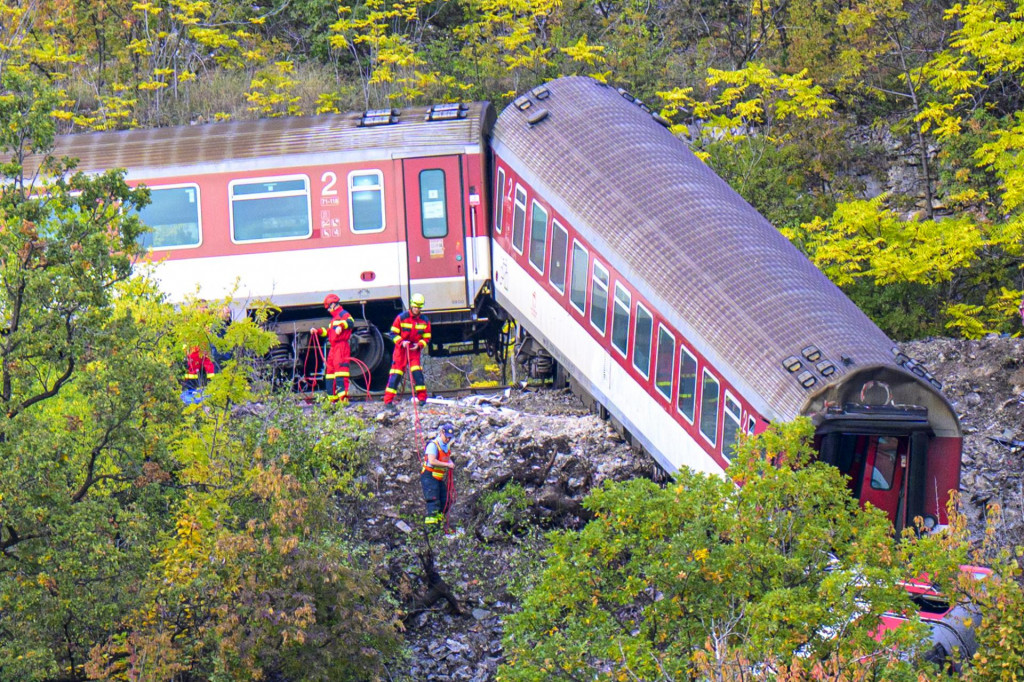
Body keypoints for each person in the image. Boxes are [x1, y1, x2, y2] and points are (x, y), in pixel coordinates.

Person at [382, 293, 432, 407]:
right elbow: (393, 333)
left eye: (419, 307)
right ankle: (388, 401)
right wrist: (402, 342)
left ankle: (422, 399)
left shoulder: (425, 321)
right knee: (396, 375)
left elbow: (427, 337)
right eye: (415, 307)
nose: (416, 309)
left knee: (417, 375)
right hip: (401, 351)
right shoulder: (401, 318)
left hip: (414, 351)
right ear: (411, 305)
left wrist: (419, 345)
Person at [310, 294, 355, 404]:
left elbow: (351, 322)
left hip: (341, 347)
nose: (328, 310)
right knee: (330, 373)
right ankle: (332, 401)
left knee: (341, 373)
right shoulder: (334, 319)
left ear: (334, 304)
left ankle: (343, 400)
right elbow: (329, 332)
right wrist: (318, 331)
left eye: (329, 307)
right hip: (334, 348)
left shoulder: (343, 314)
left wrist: (341, 326)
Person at [421, 422, 457, 525]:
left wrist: (450, 463)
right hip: (429, 476)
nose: (448, 439)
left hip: (438, 478)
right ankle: (432, 527)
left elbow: (446, 458)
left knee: (446, 500)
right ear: (441, 433)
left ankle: (440, 522)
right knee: (433, 501)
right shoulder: (433, 445)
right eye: (446, 437)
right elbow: (432, 461)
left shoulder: (446, 447)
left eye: (450, 438)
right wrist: (447, 465)